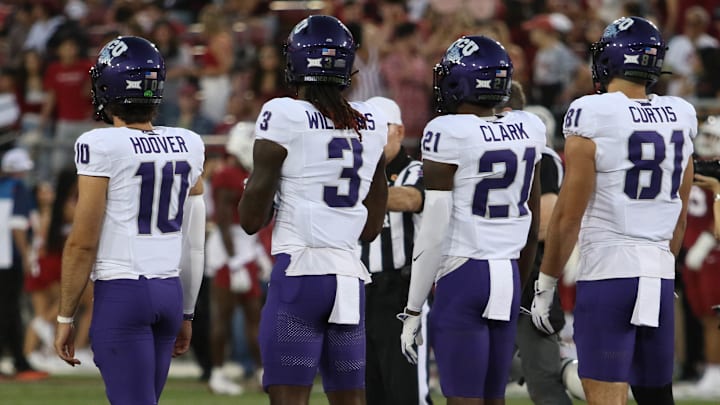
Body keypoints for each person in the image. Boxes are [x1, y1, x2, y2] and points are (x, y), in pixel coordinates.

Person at [530, 16, 697, 405]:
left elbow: (568, 217)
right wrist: (658, 267)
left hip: (608, 273)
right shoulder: (681, 114)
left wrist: (547, 283)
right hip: (657, 271)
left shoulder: (594, 112)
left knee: (606, 398)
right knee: (657, 398)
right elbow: (681, 215)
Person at [238, 15, 388, 405]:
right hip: (349, 277)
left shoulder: (284, 114)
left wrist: (263, 188)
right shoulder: (373, 122)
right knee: (350, 399)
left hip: (301, 276)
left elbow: (251, 221)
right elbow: (371, 228)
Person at [53, 36, 206, 405]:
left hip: (124, 293)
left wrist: (64, 318)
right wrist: (187, 311)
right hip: (170, 293)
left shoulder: (101, 144)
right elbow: (195, 238)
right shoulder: (188, 142)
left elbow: (83, 241)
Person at [398, 35, 545, 404]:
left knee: (462, 399)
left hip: (463, 273)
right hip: (507, 272)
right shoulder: (529, 126)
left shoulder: (446, 131)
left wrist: (413, 308)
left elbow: (433, 229)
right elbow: (532, 217)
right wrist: (519, 285)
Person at [504, 81, 579, 405]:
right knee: (472, 374)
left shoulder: (541, 156)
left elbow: (546, 224)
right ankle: (555, 366)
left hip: (526, 276)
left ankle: (558, 367)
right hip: (482, 275)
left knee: (544, 384)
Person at [359, 96, 431, 405]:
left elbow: (412, 198)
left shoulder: (415, 169)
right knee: (367, 390)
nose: (370, 137)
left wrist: (349, 190)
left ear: (399, 132)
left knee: (406, 391)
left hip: (399, 294)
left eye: (379, 129)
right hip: (360, 293)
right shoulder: (355, 172)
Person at [205, 121, 264, 395]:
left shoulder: (245, 174)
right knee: (223, 317)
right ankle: (216, 374)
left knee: (255, 316)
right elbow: (225, 223)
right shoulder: (227, 175)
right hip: (229, 254)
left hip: (246, 250)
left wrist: (257, 254)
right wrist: (236, 262)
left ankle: (263, 372)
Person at [0, 147, 49, 381]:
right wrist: (27, 255)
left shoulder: (4, 188)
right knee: (11, 312)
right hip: (10, 260)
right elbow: (18, 226)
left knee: (7, 312)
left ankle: (19, 360)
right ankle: (20, 362)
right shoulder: (19, 189)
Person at [684, 115, 720, 398]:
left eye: (714, 136)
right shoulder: (691, 162)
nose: (707, 141)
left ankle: (714, 375)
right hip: (691, 251)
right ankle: (705, 370)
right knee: (698, 314)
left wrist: (706, 242)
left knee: (712, 317)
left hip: (712, 253)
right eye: (706, 134)